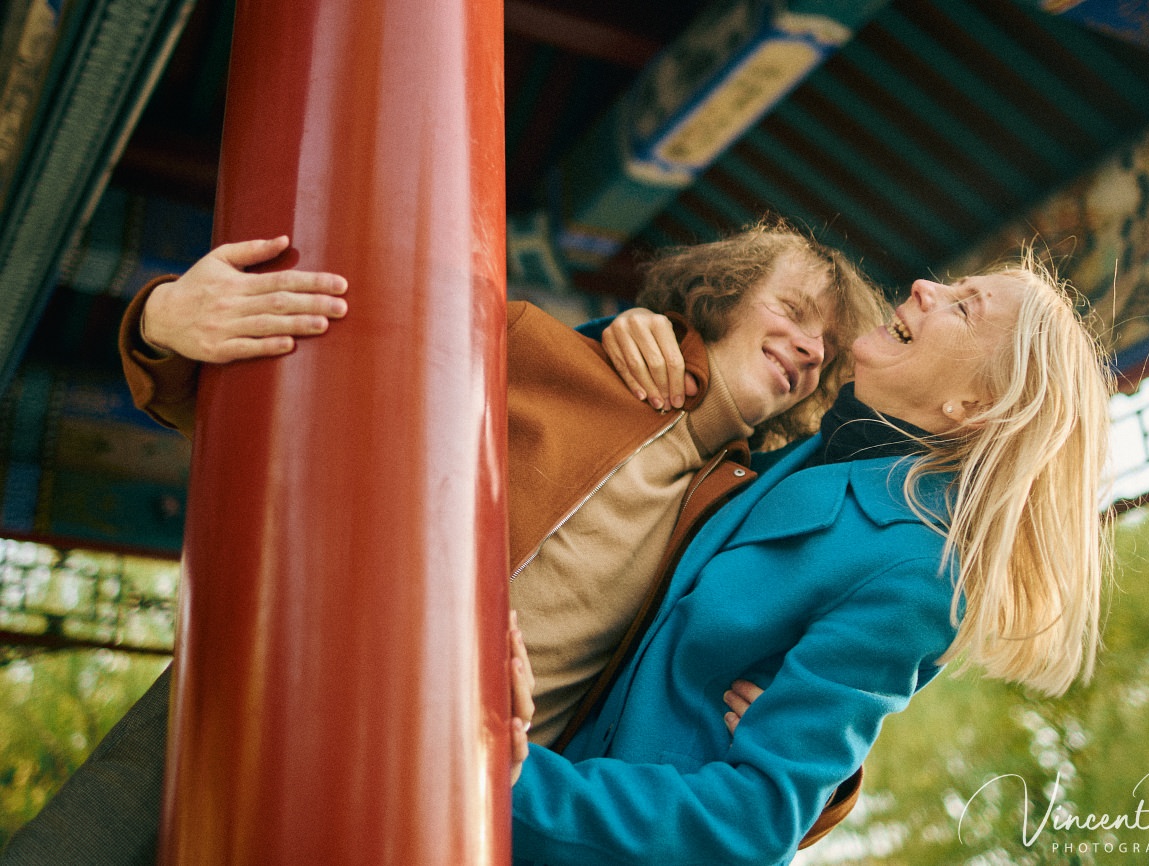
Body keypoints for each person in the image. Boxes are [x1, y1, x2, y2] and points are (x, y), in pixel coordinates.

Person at [0, 221, 876, 864]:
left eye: (827, 347)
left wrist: (829, 774)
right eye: (795, 310)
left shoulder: (743, 521)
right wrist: (161, 326)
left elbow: (789, 745)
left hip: (432, 814)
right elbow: (297, 404)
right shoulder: (545, 350)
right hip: (271, 687)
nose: (808, 345)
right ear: (723, 291)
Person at [508, 248, 1114, 865]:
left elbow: (755, 820)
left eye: (965, 307)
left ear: (975, 405)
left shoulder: (920, 569)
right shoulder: (804, 455)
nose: (924, 285)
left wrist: (504, 786)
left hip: (560, 819)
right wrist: (647, 338)